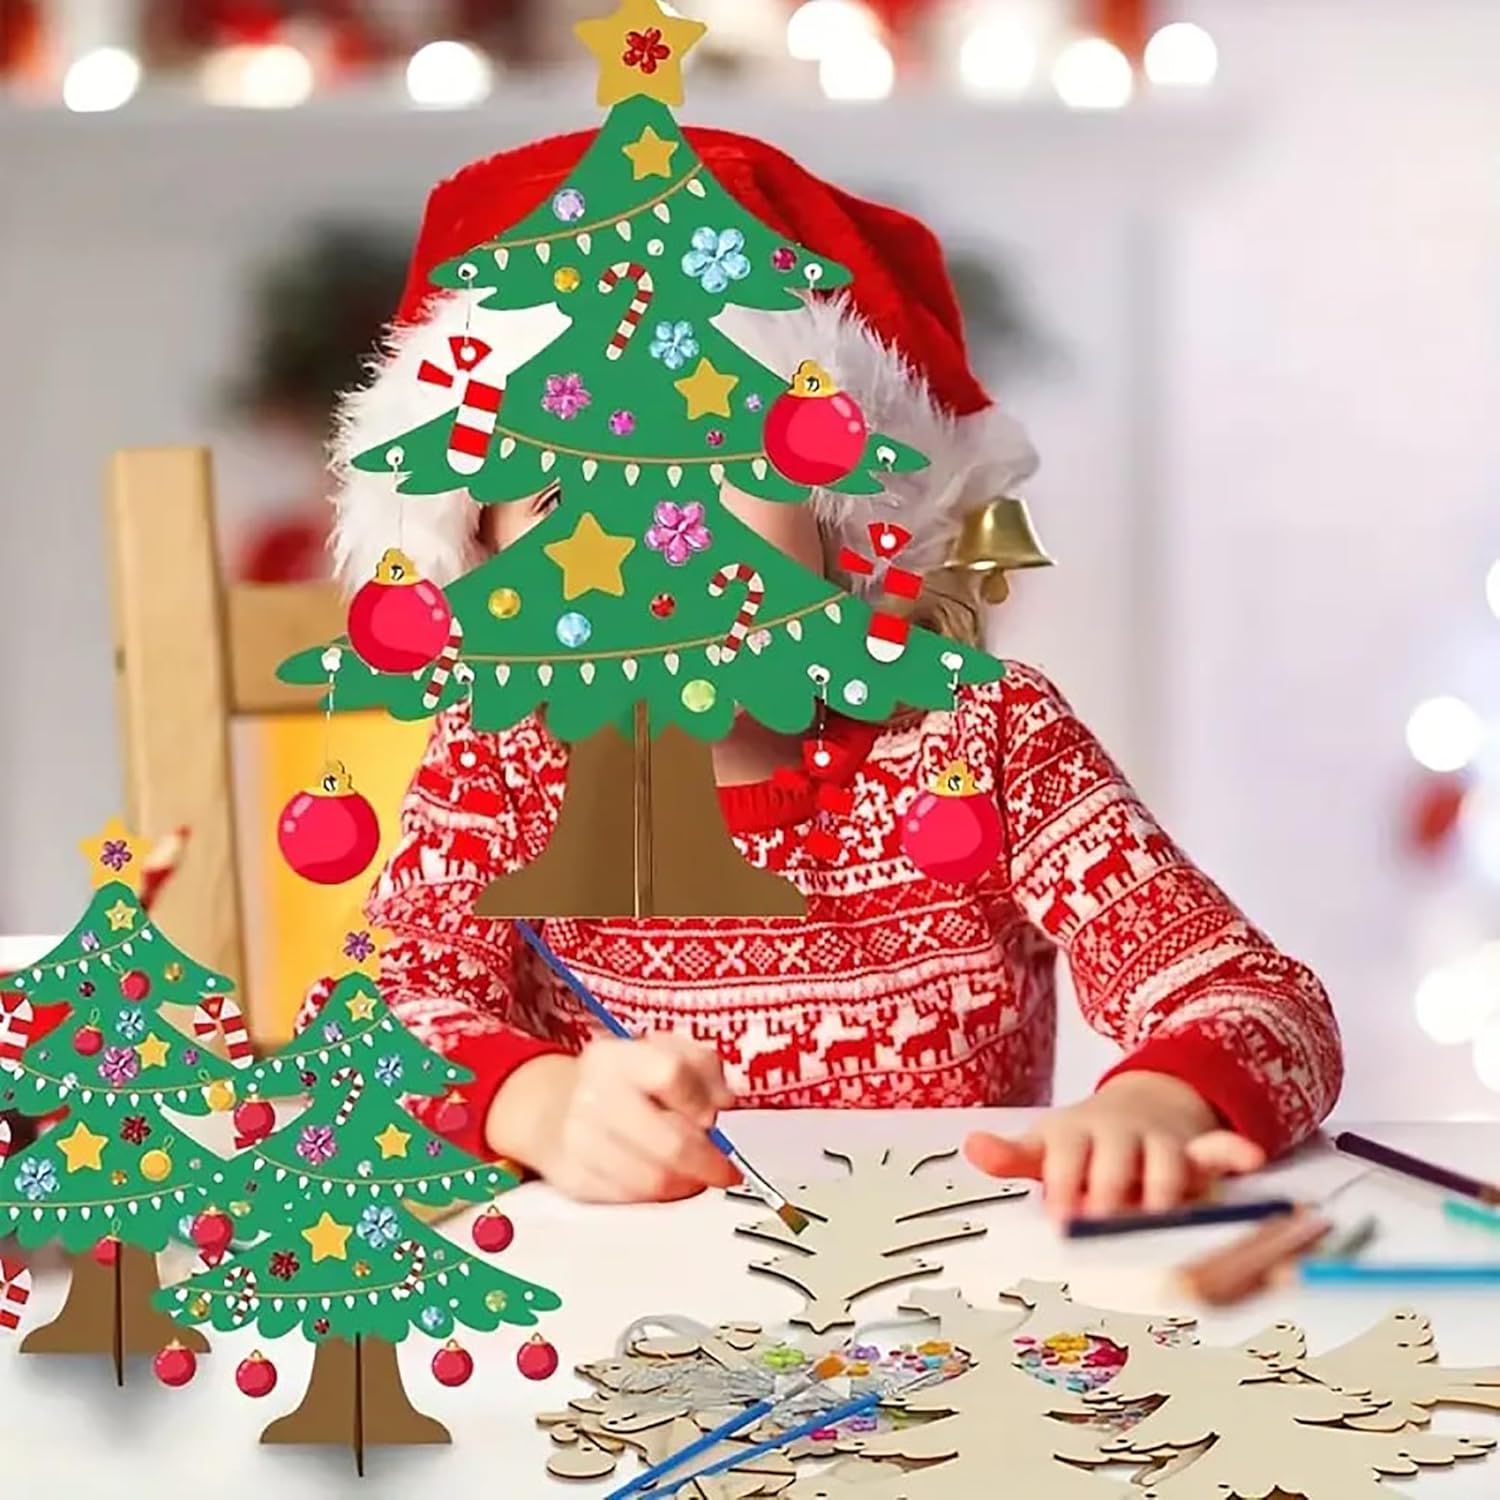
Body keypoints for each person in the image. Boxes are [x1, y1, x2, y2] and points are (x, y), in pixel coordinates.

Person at [315, 126, 1343, 1224]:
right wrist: (540, 1103)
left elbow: (1261, 1001)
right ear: (478, 556)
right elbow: (368, 1044)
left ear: (839, 514)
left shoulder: (983, 740)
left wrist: (1158, 1104)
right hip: (615, 1324)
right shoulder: (498, 759)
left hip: (942, 1314)